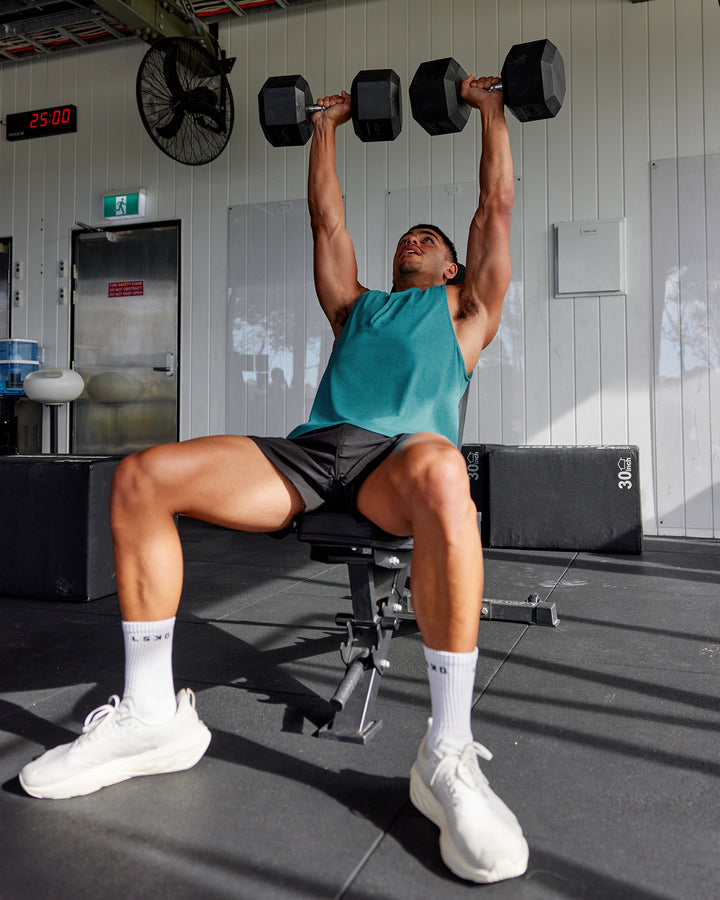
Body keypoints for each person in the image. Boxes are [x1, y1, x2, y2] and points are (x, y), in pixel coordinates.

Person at [19, 73, 527, 884]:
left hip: (399, 463)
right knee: (144, 474)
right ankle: (153, 715)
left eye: (430, 238)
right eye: (408, 237)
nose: (415, 240)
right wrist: (324, 125)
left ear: (458, 266)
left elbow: (494, 206)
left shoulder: (468, 312)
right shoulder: (353, 306)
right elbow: (328, 217)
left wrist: (491, 110)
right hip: (317, 452)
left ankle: (448, 752)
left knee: (441, 468)